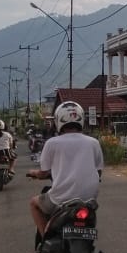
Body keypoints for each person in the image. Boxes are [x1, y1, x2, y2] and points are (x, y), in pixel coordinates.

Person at [26, 101, 104, 238]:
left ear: (58, 121)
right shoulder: (93, 142)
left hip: (61, 198)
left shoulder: (52, 143)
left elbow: (44, 173)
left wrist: (34, 173)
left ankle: (45, 238)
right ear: (81, 119)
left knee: (34, 203)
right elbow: (98, 172)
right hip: (89, 199)